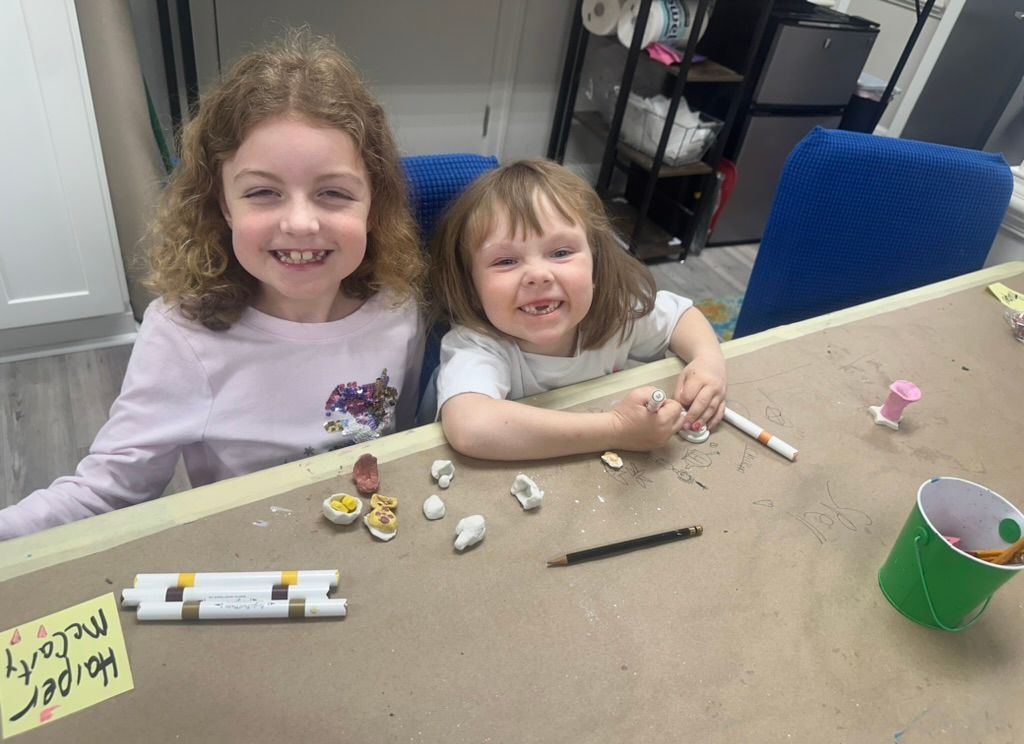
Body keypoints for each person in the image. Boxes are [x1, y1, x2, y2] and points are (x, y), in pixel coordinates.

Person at [0, 31, 425, 540]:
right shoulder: (184, 336)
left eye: (332, 193)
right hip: (250, 558)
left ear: (373, 204)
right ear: (224, 205)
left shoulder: (397, 307)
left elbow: (407, 438)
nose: (300, 223)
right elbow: (106, 491)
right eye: (263, 192)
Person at [430, 158, 726, 461]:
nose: (538, 275)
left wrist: (708, 361)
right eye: (506, 261)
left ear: (596, 264)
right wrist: (617, 429)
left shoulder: (615, 311)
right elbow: (471, 427)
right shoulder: (476, 343)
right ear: (471, 285)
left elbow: (681, 317)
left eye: (561, 253)